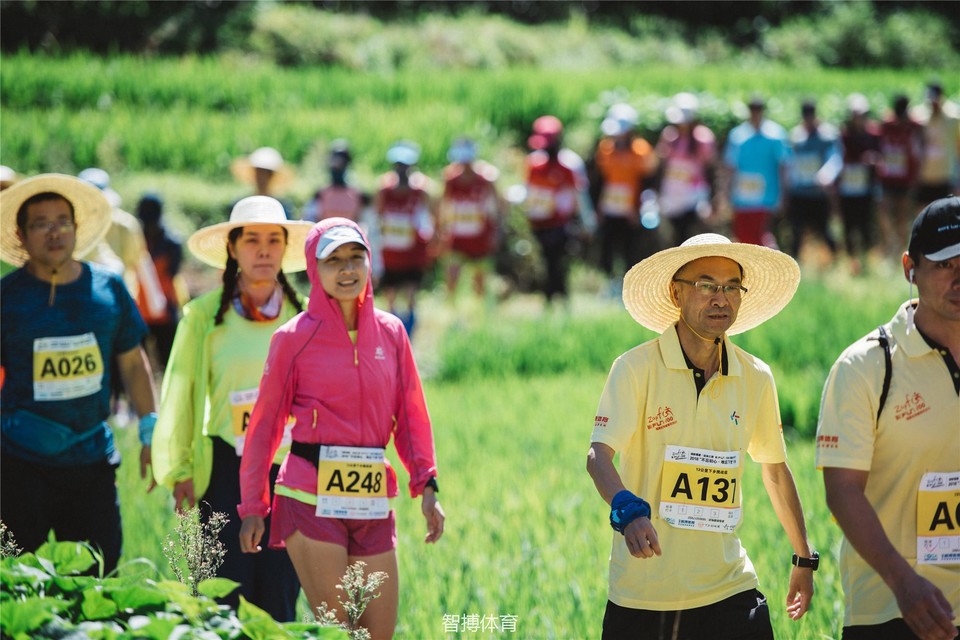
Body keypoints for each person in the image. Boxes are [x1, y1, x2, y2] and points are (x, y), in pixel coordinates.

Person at [586, 232, 815, 639]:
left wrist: (803, 557)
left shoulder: (755, 377)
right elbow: (598, 455)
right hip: (643, 596)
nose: (720, 298)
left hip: (730, 589)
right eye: (706, 285)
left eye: (731, 287)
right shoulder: (636, 369)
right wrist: (627, 509)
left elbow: (775, 470)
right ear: (676, 293)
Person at [238, 217, 444, 639]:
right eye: (334, 260)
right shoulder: (292, 338)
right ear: (315, 269)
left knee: (378, 634)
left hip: (371, 498)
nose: (347, 270)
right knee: (341, 632)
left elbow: (411, 416)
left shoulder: (391, 333)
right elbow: (264, 427)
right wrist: (253, 505)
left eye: (356, 258)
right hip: (308, 496)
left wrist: (427, 485)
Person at [151, 196, 311, 620]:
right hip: (224, 468)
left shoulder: (306, 318)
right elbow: (181, 392)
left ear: (284, 249)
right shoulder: (204, 316)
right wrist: (180, 468)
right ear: (233, 248)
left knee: (279, 596)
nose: (263, 250)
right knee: (221, 596)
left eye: (273, 240)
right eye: (252, 239)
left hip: (288, 472)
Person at [816, 196, 960, 640]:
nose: (959, 278)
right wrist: (904, 584)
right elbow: (842, 492)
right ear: (909, 269)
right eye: (944, 265)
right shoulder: (866, 367)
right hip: (893, 612)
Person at [0, 174, 157, 573]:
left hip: (91, 462)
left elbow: (132, 364)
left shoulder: (109, 290)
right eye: (41, 223)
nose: (54, 232)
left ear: (77, 228)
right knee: (19, 582)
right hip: (20, 463)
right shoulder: (7, 299)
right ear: (21, 235)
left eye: (62, 221)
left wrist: (149, 431)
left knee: (98, 571)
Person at [592, 103, 660, 292]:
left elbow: (648, 182)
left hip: (632, 211)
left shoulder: (641, 151)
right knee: (608, 248)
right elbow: (602, 180)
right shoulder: (605, 149)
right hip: (610, 208)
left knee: (631, 250)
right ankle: (610, 285)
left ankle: (630, 287)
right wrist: (599, 208)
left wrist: (639, 208)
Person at [373, 140, 435, 336]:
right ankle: (390, 332)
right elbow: (377, 217)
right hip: (391, 252)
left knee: (410, 294)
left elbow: (431, 218)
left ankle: (409, 334)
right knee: (390, 295)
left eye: (405, 166)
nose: (401, 170)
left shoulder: (421, 191)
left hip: (412, 253)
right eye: (398, 166)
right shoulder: (384, 190)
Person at [438, 137, 504, 303]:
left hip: (480, 236)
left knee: (480, 279)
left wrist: (496, 231)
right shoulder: (450, 179)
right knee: (452, 276)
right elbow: (444, 205)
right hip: (457, 236)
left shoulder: (486, 179)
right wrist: (440, 230)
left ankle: (479, 314)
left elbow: (497, 207)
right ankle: (451, 310)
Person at [523, 115, 581, 306]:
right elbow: (530, 194)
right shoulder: (534, 166)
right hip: (540, 224)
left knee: (559, 263)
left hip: (559, 225)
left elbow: (573, 197)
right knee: (546, 262)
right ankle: (549, 298)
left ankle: (562, 298)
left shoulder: (566, 167)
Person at [722, 96, 791, 249]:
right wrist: (726, 193)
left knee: (763, 237)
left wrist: (784, 194)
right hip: (742, 197)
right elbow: (730, 166)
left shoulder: (776, 135)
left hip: (766, 197)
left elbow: (784, 165)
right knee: (743, 238)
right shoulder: (738, 135)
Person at [656, 92, 718, 247]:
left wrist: (712, 198)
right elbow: (661, 164)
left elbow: (711, 169)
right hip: (672, 193)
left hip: (694, 195)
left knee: (691, 234)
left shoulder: (702, 138)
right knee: (675, 236)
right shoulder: (669, 136)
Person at [785, 99, 843, 262]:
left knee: (825, 230)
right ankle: (794, 264)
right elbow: (789, 162)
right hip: (799, 192)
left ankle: (836, 260)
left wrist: (827, 175)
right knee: (796, 231)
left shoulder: (827, 136)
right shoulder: (796, 136)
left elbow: (835, 158)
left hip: (819, 193)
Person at [135, 193, 185, 371]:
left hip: (165, 311)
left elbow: (173, 275)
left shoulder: (172, 243)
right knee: (139, 365)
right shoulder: (135, 240)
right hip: (139, 312)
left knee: (170, 363)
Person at [838, 93, 882, 274]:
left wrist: (873, 160)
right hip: (848, 189)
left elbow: (881, 157)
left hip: (866, 189)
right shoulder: (844, 135)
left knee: (866, 226)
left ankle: (865, 260)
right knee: (849, 226)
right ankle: (852, 261)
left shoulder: (873, 135)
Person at [877, 94, 923, 258]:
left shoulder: (913, 126)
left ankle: (901, 250)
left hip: (905, 179)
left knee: (903, 217)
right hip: (888, 178)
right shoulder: (887, 124)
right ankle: (888, 248)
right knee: (885, 214)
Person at [913, 82, 960, 209]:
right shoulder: (918, 114)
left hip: (946, 176)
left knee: (946, 214)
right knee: (922, 212)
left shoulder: (954, 116)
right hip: (924, 176)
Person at [231, 147, 297, 219]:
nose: (261, 177)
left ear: (271, 176)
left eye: (265, 173)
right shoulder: (242, 204)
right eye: (259, 173)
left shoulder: (283, 207)